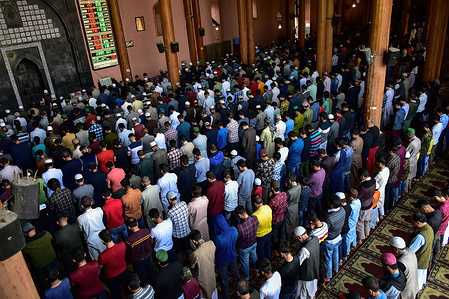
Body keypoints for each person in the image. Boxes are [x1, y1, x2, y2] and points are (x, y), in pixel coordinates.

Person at [21, 222, 58, 288]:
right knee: (58, 278)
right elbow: (53, 242)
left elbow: (27, 259)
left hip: (40, 267)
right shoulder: (46, 234)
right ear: (34, 227)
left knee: (46, 285)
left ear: (24, 234)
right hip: (53, 261)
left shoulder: (26, 246)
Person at [214, 214, 240, 299]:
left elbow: (215, 249)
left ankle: (226, 296)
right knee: (236, 274)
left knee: (224, 279)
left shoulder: (218, 238)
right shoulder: (233, 230)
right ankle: (239, 289)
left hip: (222, 261)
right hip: (232, 256)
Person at [98, 229, 128, 299]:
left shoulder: (102, 256)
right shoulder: (122, 245)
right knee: (127, 287)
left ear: (102, 241)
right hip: (124, 271)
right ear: (111, 235)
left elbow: (101, 266)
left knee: (116, 293)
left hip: (111, 277)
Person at [408, 212, 434, 290]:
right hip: (426, 257)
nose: (413, 224)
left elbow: (411, 250)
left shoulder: (420, 236)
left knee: (415, 283)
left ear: (418, 222)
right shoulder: (429, 228)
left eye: (414, 223)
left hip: (419, 261)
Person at [188, 230, 217, 299]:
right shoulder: (211, 243)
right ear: (201, 236)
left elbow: (192, 265)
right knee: (213, 292)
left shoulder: (196, 254)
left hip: (202, 277)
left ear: (194, 241)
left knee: (205, 294)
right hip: (212, 272)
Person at [293, 226, 320, 299]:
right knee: (312, 291)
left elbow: (298, 262)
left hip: (306, 275)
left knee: (304, 294)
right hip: (315, 269)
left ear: (300, 237)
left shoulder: (304, 250)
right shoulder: (315, 239)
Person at [323, 194, 345, 282]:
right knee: (335, 253)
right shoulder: (342, 210)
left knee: (328, 258)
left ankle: (328, 276)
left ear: (331, 205)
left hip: (330, 240)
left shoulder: (330, 217)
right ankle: (335, 268)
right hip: (338, 236)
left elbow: (326, 229)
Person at [77, 196, 106, 260]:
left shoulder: (80, 218)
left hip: (91, 240)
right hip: (103, 236)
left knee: (96, 260)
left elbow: (81, 229)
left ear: (82, 206)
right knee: (106, 256)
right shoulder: (99, 210)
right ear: (91, 203)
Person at [235, 205, 259, 281]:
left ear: (239, 215)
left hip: (244, 247)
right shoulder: (255, 219)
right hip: (254, 243)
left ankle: (247, 277)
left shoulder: (240, 227)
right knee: (254, 257)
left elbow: (237, 237)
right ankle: (257, 270)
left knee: (245, 263)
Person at [167, 191, 191, 260]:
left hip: (177, 236)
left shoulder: (170, 212)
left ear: (169, 200)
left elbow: (170, 224)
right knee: (188, 249)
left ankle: (180, 266)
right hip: (186, 232)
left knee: (178, 252)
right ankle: (190, 263)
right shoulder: (184, 204)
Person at [253, 195, 273, 260]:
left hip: (260, 235)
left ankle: (262, 261)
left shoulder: (255, 215)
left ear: (255, 204)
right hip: (269, 231)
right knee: (267, 245)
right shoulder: (268, 207)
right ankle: (269, 258)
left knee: (260, 248)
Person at [268, 180, 287, 244]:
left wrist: (270, 197)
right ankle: (284, 243)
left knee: (275, 233)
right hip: (282, 217)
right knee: (282, 232)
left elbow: (269, 210)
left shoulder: (272, 201)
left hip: (275, 220)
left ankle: (276, 246)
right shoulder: (284, 195)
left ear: (272, 188)